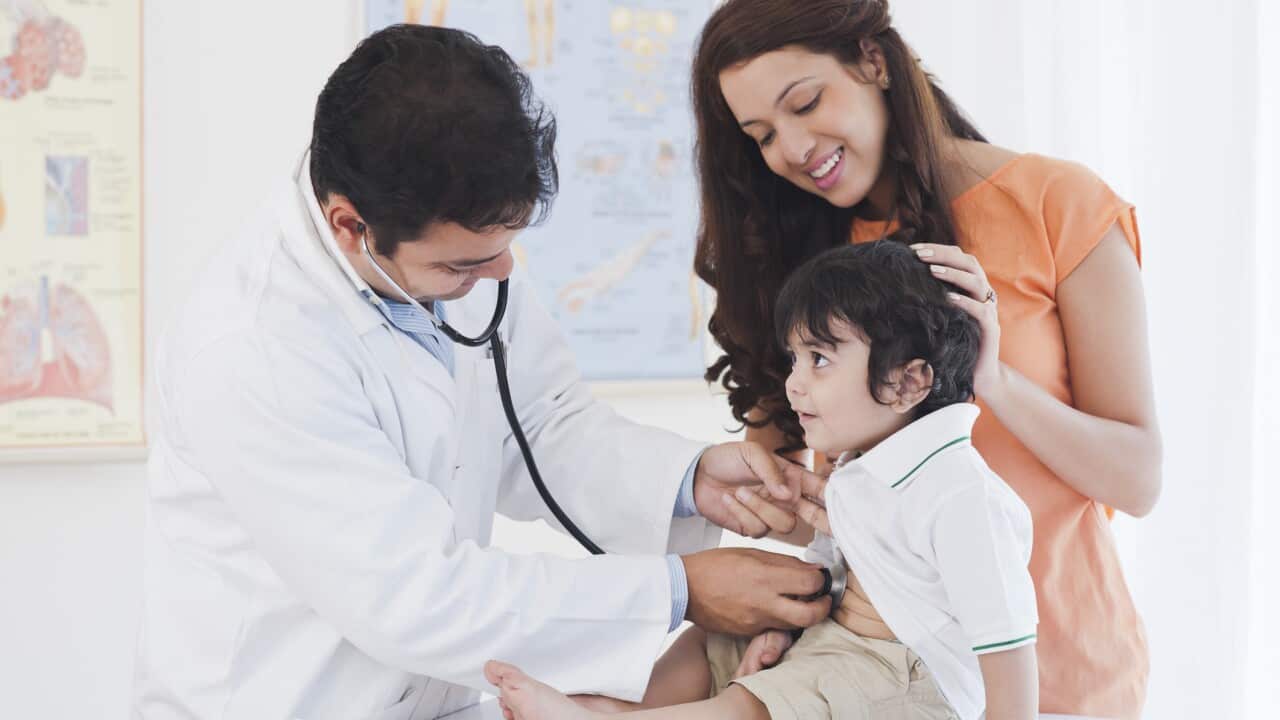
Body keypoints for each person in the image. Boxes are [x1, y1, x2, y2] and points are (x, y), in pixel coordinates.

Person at [131, 25, 834, 720]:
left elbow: (537, 424)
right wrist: (677, 591)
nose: (501, 276)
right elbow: (411, 594)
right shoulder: (253, 347)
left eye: (504, 250)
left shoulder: (459, 255)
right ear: (350, 225)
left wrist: (688, 481)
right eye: (464, 264)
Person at [688, 1, 1162, 718]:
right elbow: (805, 508)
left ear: (873, 61)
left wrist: (991, 381)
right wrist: (759, 504)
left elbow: (1136, 478)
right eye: (760, 135)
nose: (790, 147)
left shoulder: (1057, 205)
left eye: (806, 102)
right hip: (875, 680)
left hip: (1058, 678)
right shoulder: (794, 259)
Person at [483, 240, 1039, 720]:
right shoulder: (861, 468)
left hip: (904, 679)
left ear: (908, 380)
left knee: (754, 706)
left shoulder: (960, 493)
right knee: (716, 635)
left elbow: (1007, 641)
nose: (795, 385)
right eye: (795, 360)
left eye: (819, 359)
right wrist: (784, 629)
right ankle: (621, 706)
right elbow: (837, 570)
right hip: (838, 646)